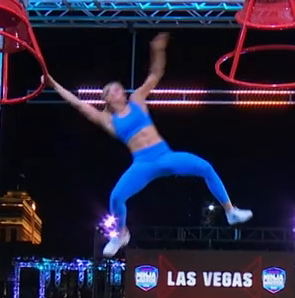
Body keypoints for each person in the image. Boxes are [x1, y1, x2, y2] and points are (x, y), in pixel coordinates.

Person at [46, 32, 252, 256]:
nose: (118, 90)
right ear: (106, 99)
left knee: (206, 167)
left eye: (118, 87)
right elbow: (78, 104)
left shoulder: (136, 100)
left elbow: (155, 74)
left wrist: (158, 50)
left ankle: (230, 211)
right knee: (116, 197)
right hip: (142, 164)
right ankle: (121, 234)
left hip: (164, 156)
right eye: (111, 90)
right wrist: (52, 83)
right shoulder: (107, 119)